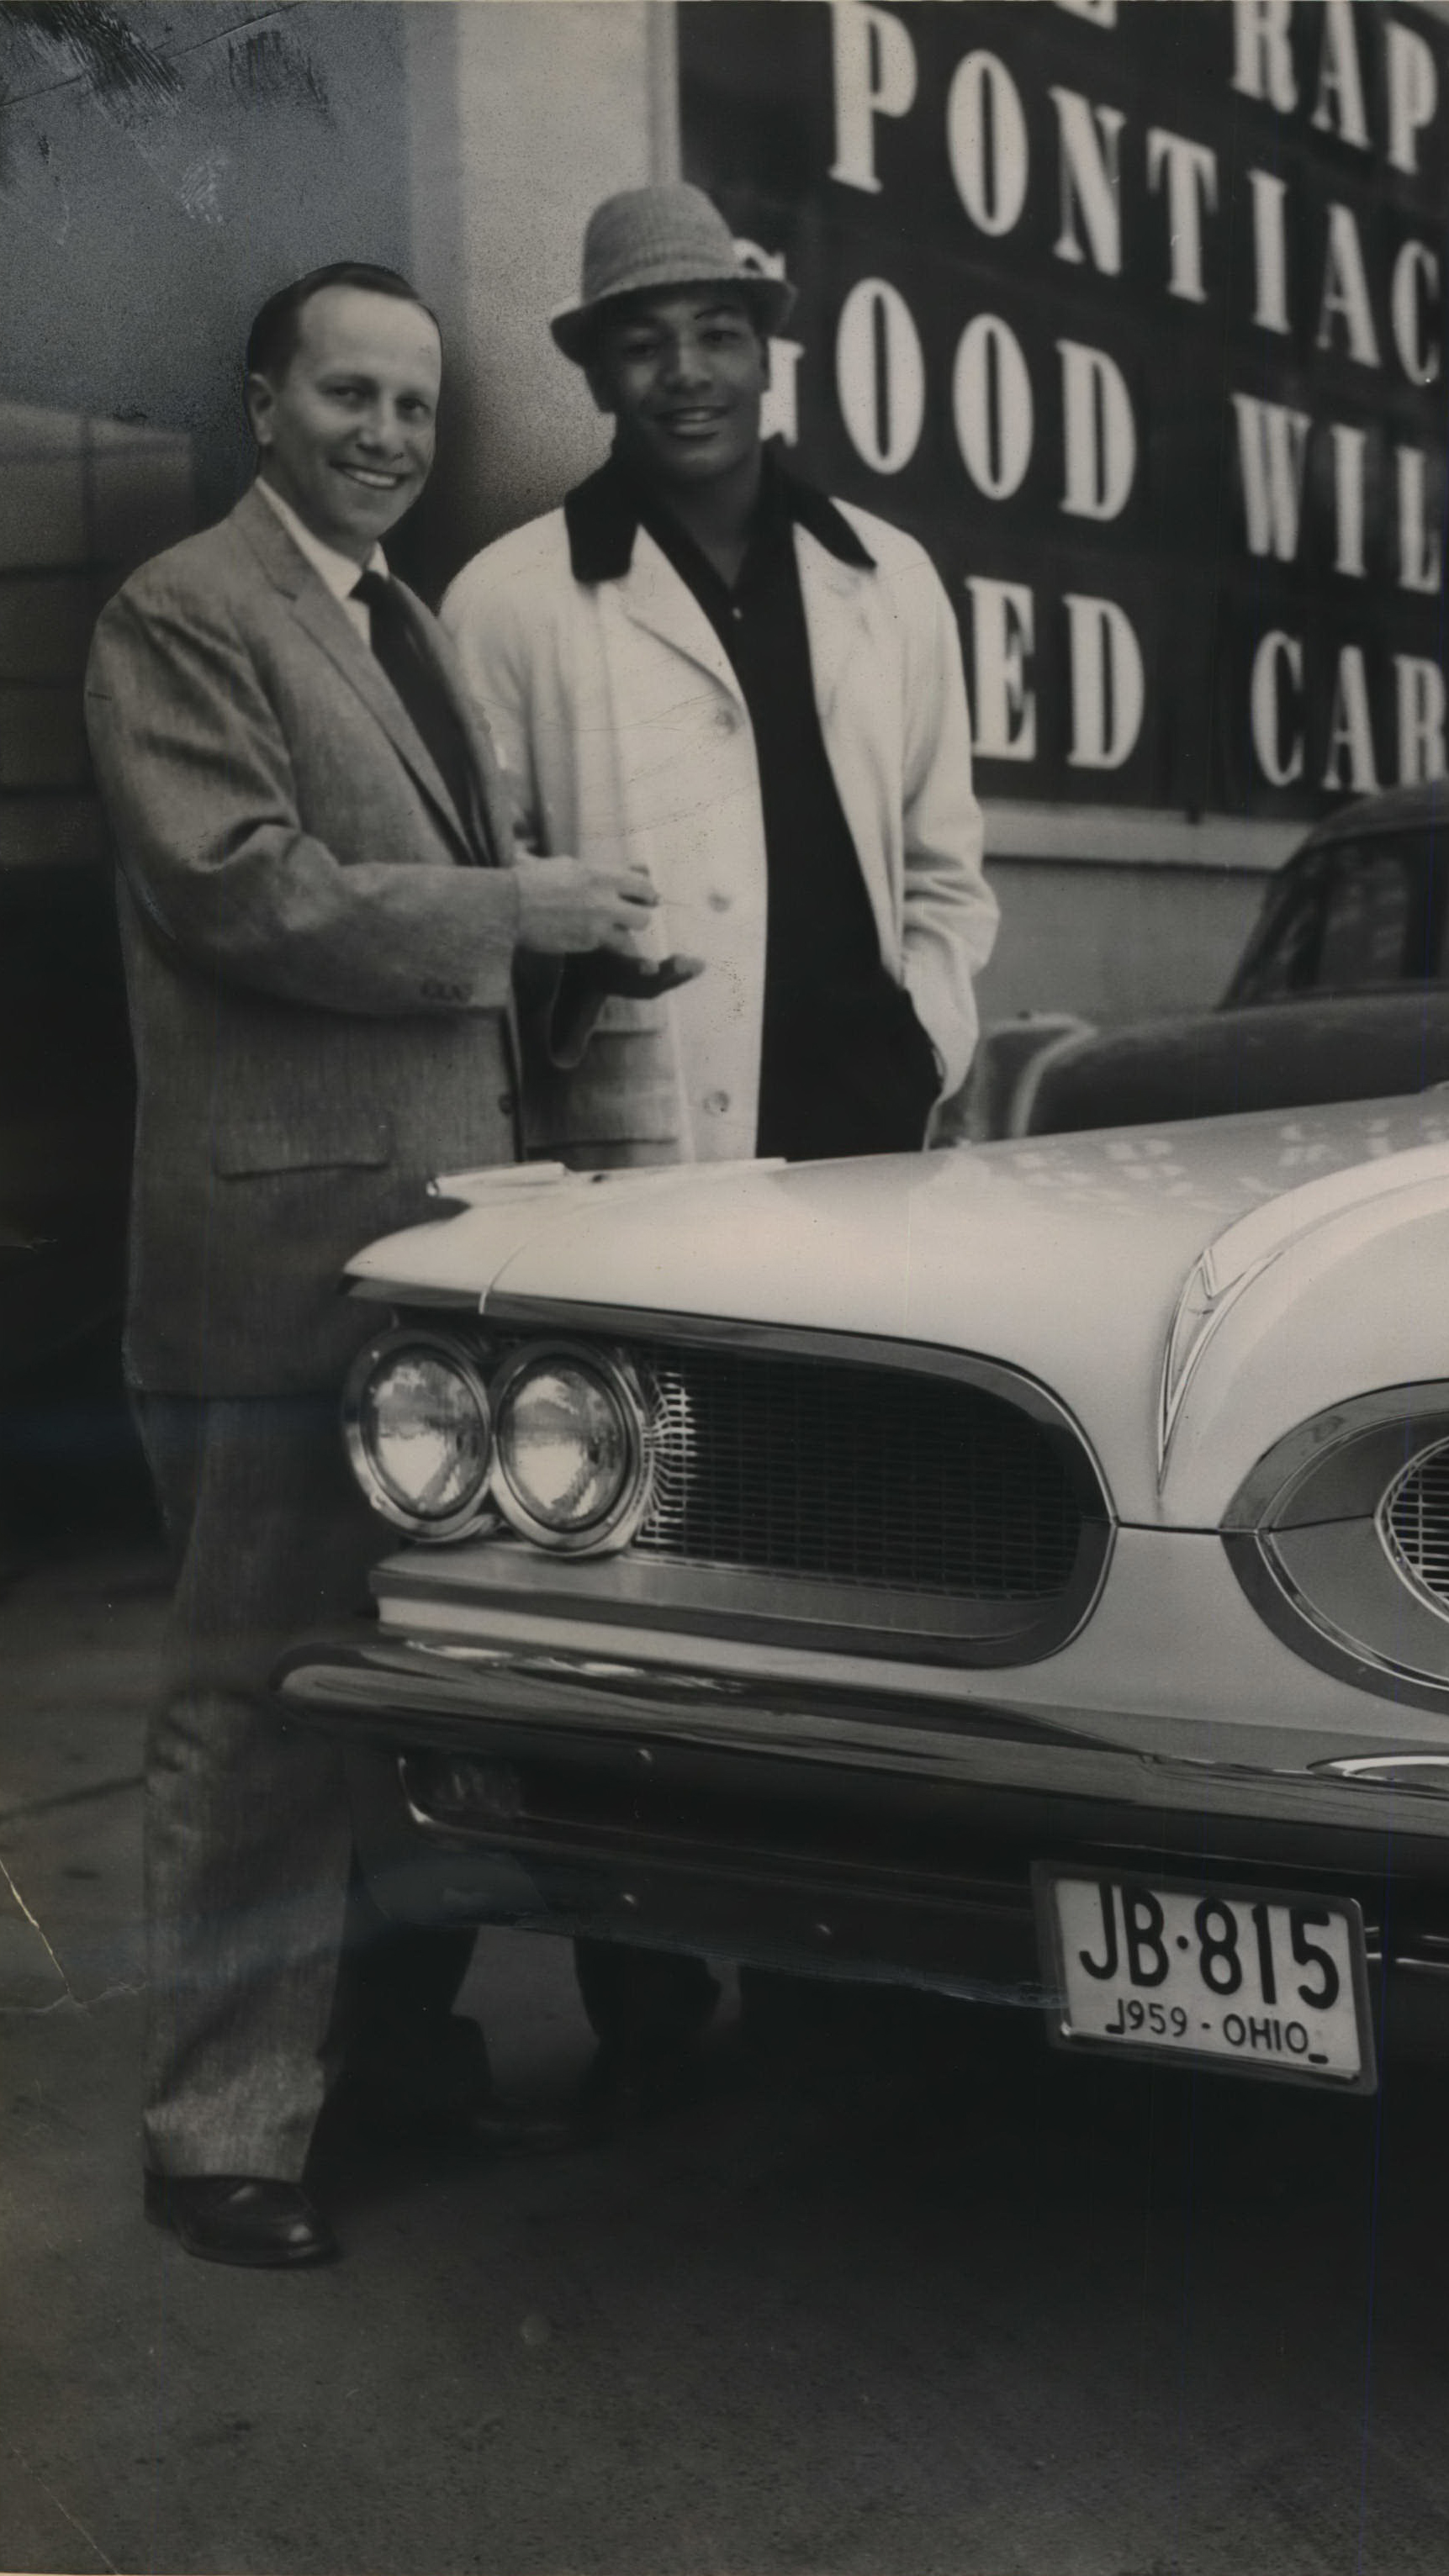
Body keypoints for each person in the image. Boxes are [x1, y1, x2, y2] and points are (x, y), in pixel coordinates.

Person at [82, 261, 669, 2267]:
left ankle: (381, 2085)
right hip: (269, 1265)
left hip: (427, 1269)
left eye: (416, 405)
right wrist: (523, 907)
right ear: (264, 404)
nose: (389, 435)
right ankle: (218, 2135)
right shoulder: (180, 613)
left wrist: (579, 960)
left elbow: (431, 949)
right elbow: (245, 892)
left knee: (417, 1694)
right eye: (348, 394)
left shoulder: (398, 623)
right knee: (254, 1702)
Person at [443, 185, 996, 2097]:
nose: (685, 372)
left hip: (865, 1145)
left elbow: (948, 867)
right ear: (597, 369)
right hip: (646, 1147)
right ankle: (649, 1971)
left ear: (771, 353)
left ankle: (854, 1967)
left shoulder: (888, 574)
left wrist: (926, 1028)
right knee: (640, 1562)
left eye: (716, 334)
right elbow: (480, 896)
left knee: (861, 1556)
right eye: (643, 340)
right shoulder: (512, 599)